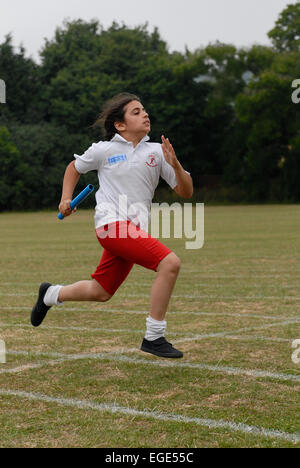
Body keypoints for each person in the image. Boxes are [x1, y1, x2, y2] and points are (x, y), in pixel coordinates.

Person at [31, 93, 193, 358]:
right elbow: (74, 167)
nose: (145, 114)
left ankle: (51, 294)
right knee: (170, 263)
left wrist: (175, 165)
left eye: (145, 110)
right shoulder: (104, 150)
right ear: (120, 125)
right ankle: (154, 336)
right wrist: (65, 198)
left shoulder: (157, 152)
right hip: (111, 225)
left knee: (101, 291)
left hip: (134, 231)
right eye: (136, 111)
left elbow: (186, 192)